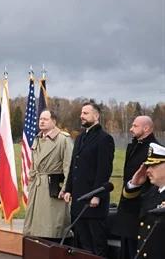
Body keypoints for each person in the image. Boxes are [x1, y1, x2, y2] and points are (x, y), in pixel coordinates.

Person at [63, 101, 115, 257]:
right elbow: (74, 165)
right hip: (79, 199)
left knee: (97, 241)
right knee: (82, 242)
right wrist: (68, 189)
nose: (81, 116)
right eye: (81, 113)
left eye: (85, 113)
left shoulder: (104, 139)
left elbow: (104, 170)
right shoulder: (79, 138)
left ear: (96, 115)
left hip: (94, 202)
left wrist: (96, 195)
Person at [23, 110, 73, 242]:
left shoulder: (63, 139)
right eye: (40, 119)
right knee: (35, 229)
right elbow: (34, 166)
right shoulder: (38, 138)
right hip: (37, 187)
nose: (41, 121)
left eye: (45, 119)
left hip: (53, 188)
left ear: (54, 121)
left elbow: (69, 167)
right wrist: (31, 184)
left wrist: (66, 189)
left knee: (51, 228)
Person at [112, 116, 158, 259]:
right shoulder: (133, 146)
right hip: (127, 206)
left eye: (135, 126)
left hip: (140, 210)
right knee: (125, 249)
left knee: (136, 251)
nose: (131, 129)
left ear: (146, 128)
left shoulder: (154, 149)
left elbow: (154, 183)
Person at [123, 143, 165, 259]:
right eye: (147, 166)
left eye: (153, 166)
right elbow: (129, 212)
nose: (147, 171)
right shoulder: (152, 192)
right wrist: (134, 185)